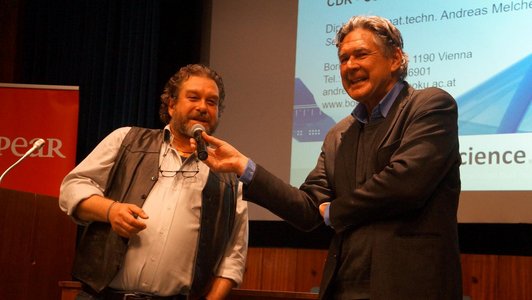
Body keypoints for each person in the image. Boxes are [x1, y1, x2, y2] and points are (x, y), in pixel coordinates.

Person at [194, 16, 462, 299]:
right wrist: (244, 167)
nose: (350, 66)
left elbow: (405, 183)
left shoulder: (430, 105)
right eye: (343, 58)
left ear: (395, 58)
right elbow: (309, 209)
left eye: (360, 54)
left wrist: (335, 211)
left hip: (410, 288)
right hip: (343, 288)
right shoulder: (339, 134)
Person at [59, 64, 248, 300]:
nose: (202, 107)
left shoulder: (229, 179)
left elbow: (233, 257)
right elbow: (71, 189)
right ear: (171, 105)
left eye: (212, 102)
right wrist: (111, 211)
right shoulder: (126, 140)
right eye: (193, 98)